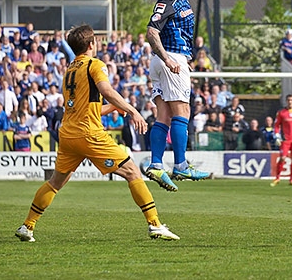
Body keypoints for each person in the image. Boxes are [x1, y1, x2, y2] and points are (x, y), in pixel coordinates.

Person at [14, 24, 179, 243]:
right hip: (89, 134)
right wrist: (132, 111)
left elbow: (84, 108)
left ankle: (28, 226)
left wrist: (113, 108)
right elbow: (107, 91)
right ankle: (155, 224)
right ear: (92, 44)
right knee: (132, 172)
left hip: (69, 134)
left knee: (55, 182)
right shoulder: (94, 64)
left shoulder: (70, 70)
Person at [144, 0, 211, 192]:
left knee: (163, 114)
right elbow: (151, 32)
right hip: (170, 60)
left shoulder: (180, 0)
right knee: (182, 112)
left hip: (171, 59)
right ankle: (181, 164)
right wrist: (169, 59)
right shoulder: (167, 1)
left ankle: (155, 163)